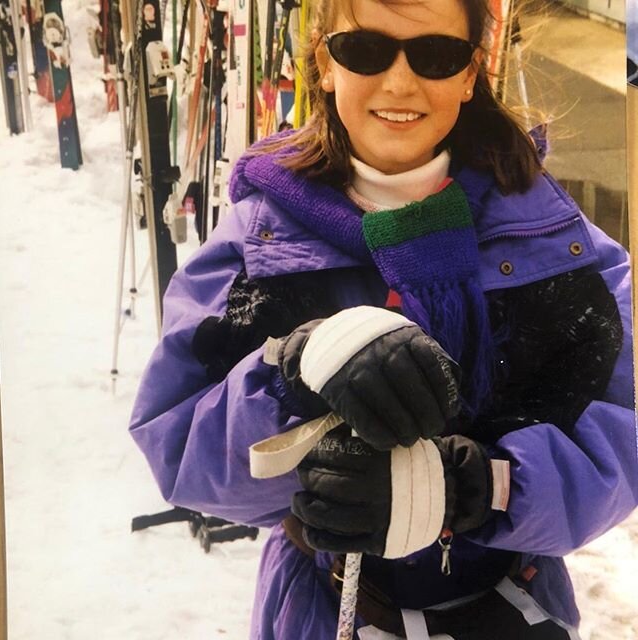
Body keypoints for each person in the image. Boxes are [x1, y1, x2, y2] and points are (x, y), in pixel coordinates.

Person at [129, 0, 637, 638]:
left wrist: (478, 487)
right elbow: (181, 449)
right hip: (327, 608)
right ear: (325, 62)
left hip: (509, 606)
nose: (400, 83)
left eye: (435, 55)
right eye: (366, 50)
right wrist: (291, 372)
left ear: (470, 73)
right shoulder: (259, 242)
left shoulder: (552, 240)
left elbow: (618, 447)